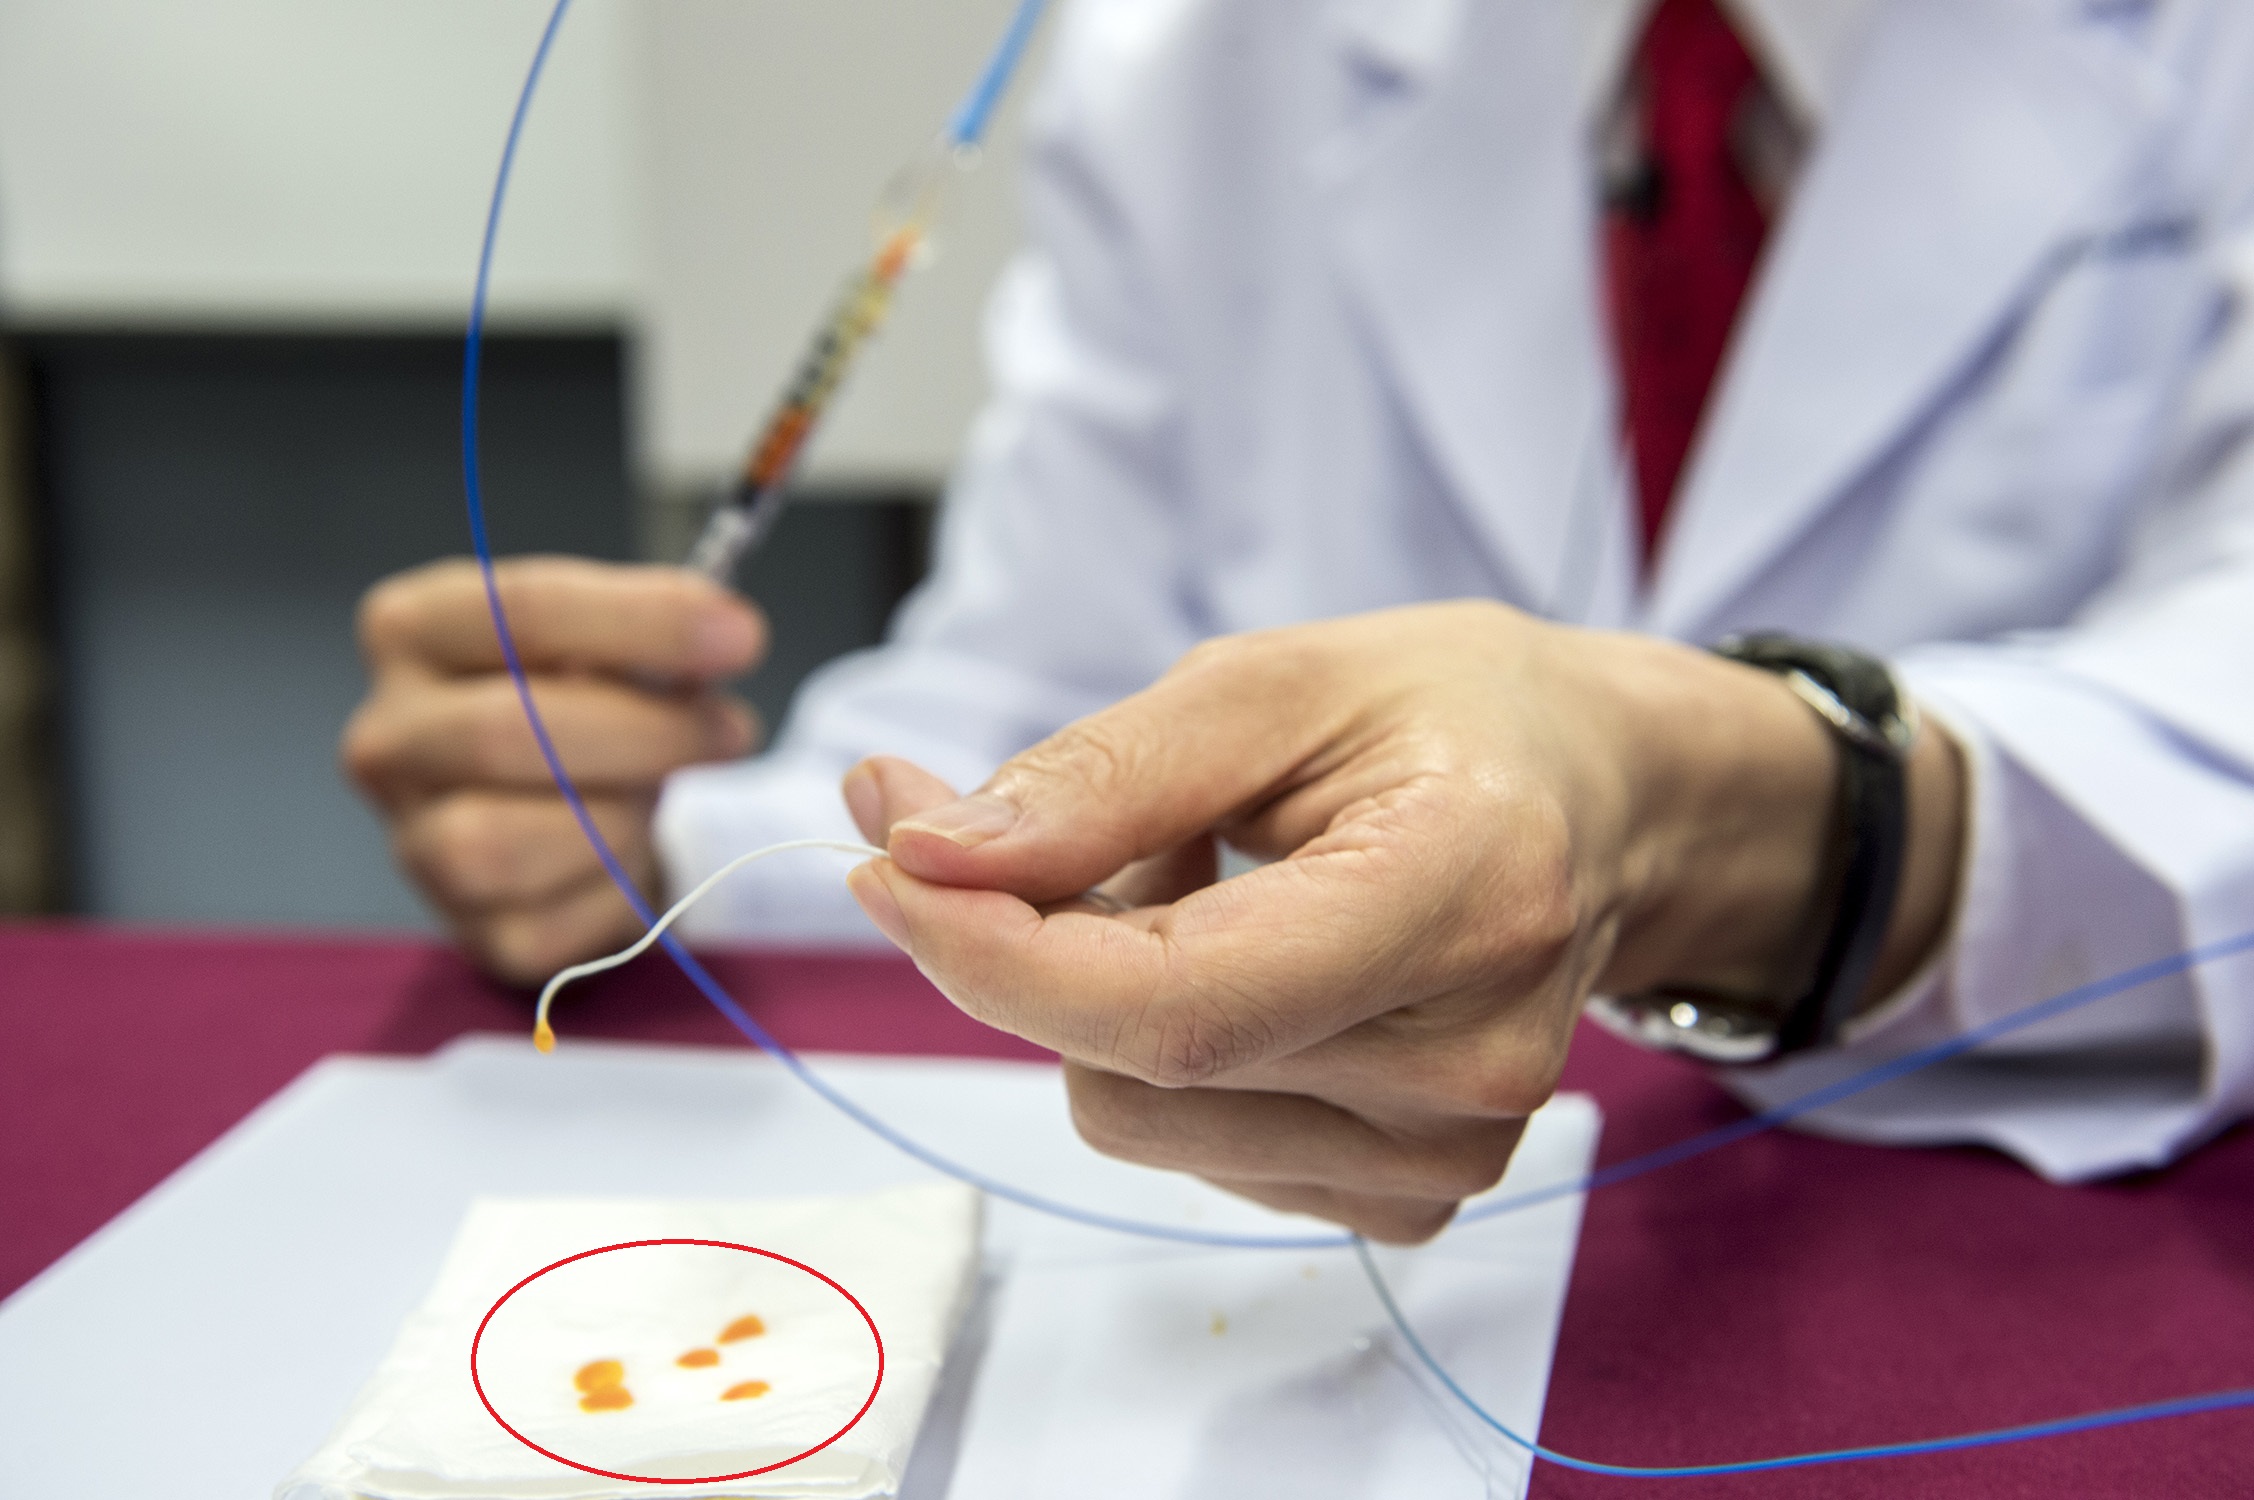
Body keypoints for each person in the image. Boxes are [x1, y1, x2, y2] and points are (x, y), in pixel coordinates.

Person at [345, 0, 2254, 1242]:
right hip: (1331, 1279)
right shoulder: (1199, 49)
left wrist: (1710, 800)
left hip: (1976, 1231)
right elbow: (1038, 690)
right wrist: (660, 838)